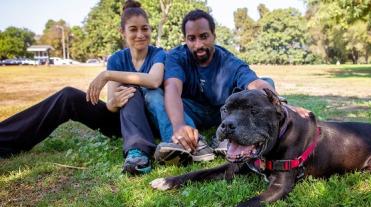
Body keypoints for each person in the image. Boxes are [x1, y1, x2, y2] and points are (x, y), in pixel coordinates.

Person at [0, 0, 164, 175]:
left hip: (150, 122)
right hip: (122, 121)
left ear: (150, 29)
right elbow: (109, 105)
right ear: (122, 32)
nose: (140, 34)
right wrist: (114, 102)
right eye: (133, 29)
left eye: (145, 28)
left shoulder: (158, 54)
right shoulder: (117, 59)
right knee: (68, 96)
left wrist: (107, 75)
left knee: (132, 89)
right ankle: (5, 138)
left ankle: (139, 151)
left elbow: (154, 81)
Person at [148, 9, 277, 164]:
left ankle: (228, 138)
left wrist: (277, 100)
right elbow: (173, 89)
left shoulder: (229, 61)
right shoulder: (177, 57)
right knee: (153, 94)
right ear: (185, 40)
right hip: (189, 111)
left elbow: (254, 82)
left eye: (204, 37)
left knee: (267, 82)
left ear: (214, 35)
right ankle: (187, 142)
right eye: (192, 38)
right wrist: (179, 125)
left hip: (225, 113)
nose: (198, 44)